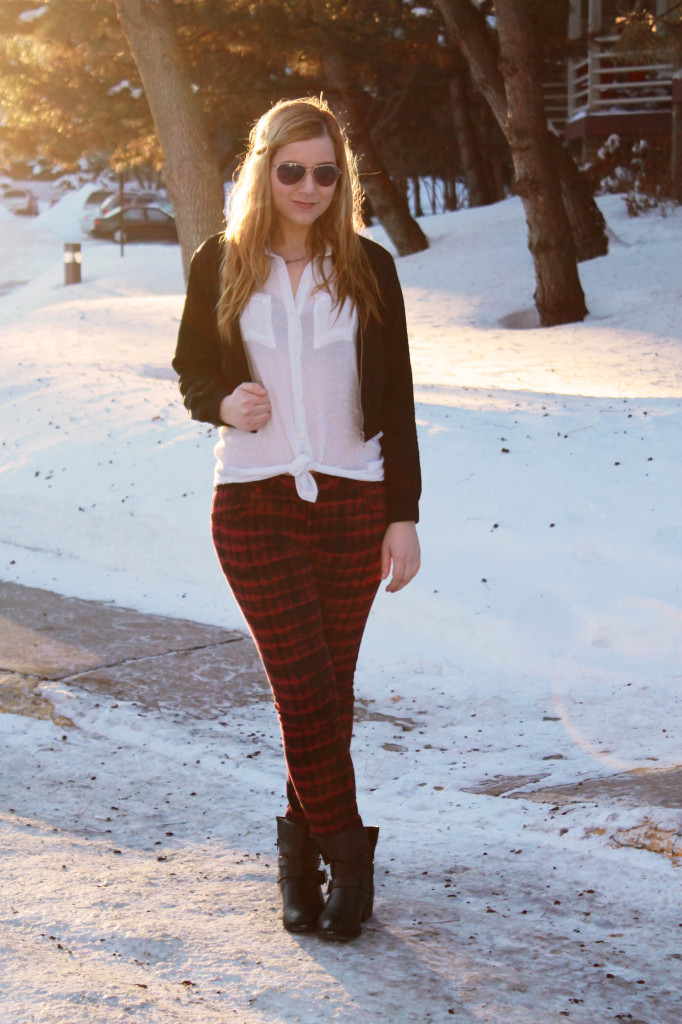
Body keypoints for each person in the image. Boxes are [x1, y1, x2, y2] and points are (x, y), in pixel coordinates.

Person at [172, 96, 421, 942]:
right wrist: (222, 402)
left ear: (339, 177)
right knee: (303, 688)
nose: (309, 187)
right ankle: (347, 857)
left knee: (328, 694)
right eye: (292, 171)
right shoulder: (221, 262)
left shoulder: (368, 267)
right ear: (263, 171)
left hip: (355, 499)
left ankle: (297, 853)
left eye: (325, 172)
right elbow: (191, 369)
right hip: (251, 502)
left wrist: (404, 516)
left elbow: (401, 403)